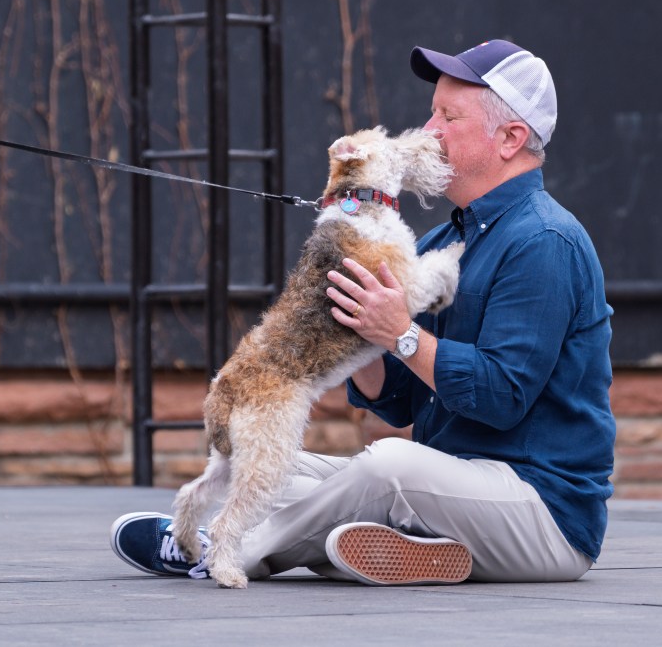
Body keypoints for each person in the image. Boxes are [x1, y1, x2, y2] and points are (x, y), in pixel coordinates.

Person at [111, 39, 616, 586]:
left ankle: (223, 550)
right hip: (449, 486)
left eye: (449, 117)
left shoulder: (544, 241)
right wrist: (360, 330)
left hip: (541, 514)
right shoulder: (443, 241)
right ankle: (388, 548)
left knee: (388, 466)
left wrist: (399, 332)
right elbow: (398, 402)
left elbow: (501, 397)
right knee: (278, 465)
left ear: (510, 138)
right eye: (432, 112)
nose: (429, 131)